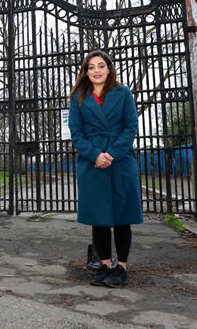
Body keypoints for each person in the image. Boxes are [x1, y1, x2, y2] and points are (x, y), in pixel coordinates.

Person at [68, 50, 143, 288]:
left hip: (120, 159)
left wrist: (111, 154)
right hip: (92, 162)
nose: (96, 71)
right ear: (86, 71)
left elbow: (131, 127)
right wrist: (94, 155)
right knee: (98, 217)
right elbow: (76, 133)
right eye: (91, 67)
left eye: (101, 66)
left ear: (109, 68)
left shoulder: (123, 93)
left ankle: (122, 266)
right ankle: (105, 264)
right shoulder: (79, 96)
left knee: (122, 216)